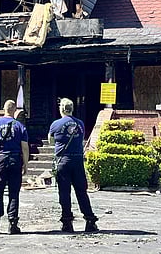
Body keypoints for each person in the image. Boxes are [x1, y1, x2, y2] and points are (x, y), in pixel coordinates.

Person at [48, 97, 98, 233]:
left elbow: (50, 140)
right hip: (77, 160)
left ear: (61, 109)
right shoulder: (80, 124)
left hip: (63, 160)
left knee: (64, 193)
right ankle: (90, 220)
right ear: (72, 109)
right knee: (82, 192)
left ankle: (67, 222)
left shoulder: (56, 124)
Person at [0, 99, 29, 235]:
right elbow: (25, 147)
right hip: (15, 159)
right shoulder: (20, 126)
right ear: (14, 111)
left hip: (0, 159)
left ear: (4, 109)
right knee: (14, 193)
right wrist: (25, 164)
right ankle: (12, 224)